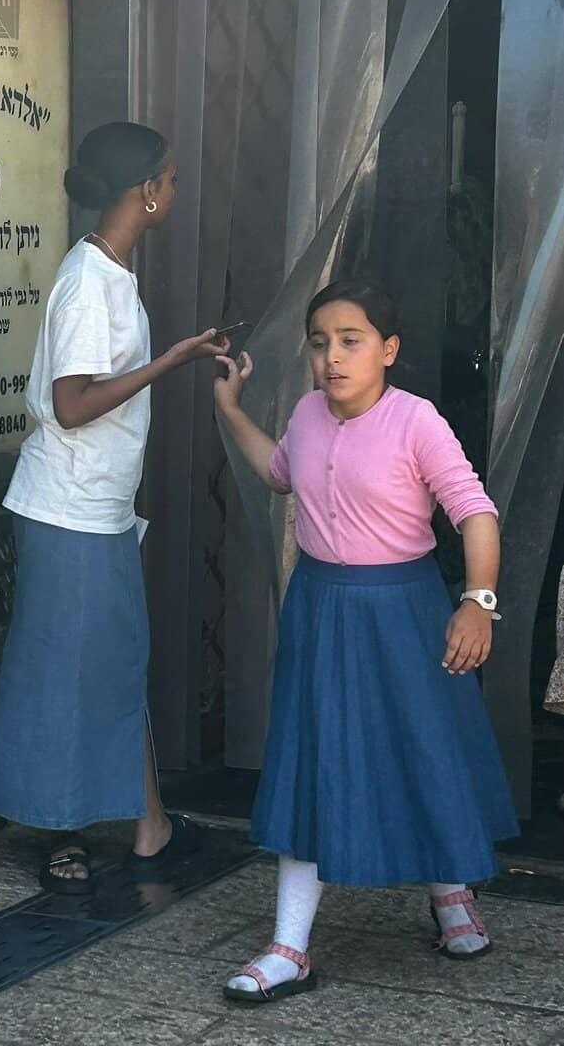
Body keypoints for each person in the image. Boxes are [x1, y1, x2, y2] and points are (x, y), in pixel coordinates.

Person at [214, 278, 519, 1003]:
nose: (331, 358)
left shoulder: (417, 421)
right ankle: (289, 947)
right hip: (321, 607)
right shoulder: (306, 415)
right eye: (319, 344)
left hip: (403, 609)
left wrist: (477, 602)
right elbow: (280, 472)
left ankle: (449, 896)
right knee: (310, 759)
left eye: (350, 341)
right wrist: (228, 408)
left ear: (388, 349)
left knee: (422, 746)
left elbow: (473, 511)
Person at [0, 122, 228, 892]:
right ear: (146, 190)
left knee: (115, 667)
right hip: (68, 511)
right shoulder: (90, 280)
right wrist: (173, 361)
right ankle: (62, 831)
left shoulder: (109, 272)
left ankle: (148, 825)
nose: (177, 191)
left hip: (95, 509)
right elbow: (73, 402)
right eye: (173, 178)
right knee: (69, 673)